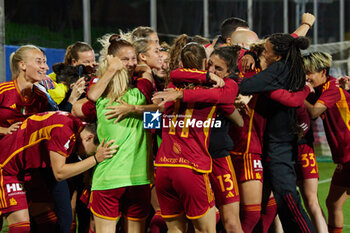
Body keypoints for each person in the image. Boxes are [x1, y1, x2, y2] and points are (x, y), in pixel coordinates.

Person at [152, 42, 239, 233]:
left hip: (164, 166)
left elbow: (175, 74)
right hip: (191, 167)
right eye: (211, 66)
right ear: (205, 62)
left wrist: (180, 93)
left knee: (175, 230)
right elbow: (228, 101)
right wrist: (208, 77)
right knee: (206, 230)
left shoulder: (171, 85)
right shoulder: (215, 88)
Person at [238, 33, 316, 233]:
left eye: (266, 50)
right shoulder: (291, 65)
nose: (263, 53)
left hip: (277, 144)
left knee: (288, 197)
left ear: (278, 55)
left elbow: (246, 86)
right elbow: (293, 99)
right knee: (279, 203)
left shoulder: (279, 68)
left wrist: (265, 88)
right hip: (278, 142)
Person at [0, 111, 116, 233]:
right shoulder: (65, 130)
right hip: (6, 166)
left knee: (48, 221)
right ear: (89, 137)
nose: (83, 155)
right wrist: (95, 159)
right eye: (89, 152)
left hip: (27, 170)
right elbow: (59, 173)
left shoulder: (74, 124)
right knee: (21, 227)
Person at [86, 36, 153, 233]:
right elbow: (90, 96)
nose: (132, 64)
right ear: (111, 60)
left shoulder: (139, 94)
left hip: (137, 178)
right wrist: (113, 68)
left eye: (134, 59)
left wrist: (133, 109)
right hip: (111, 177)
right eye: (126, 59)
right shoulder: (103, 95)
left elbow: (157, 115)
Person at [303, 52, 350, 233]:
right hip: (344, 157)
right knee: (333, 202)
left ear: (323, 72)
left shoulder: (332, 88)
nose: (306, 77)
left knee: (334, 202)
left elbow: (314, 112)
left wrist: (301, 93)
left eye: (309, 72)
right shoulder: (324, 89)